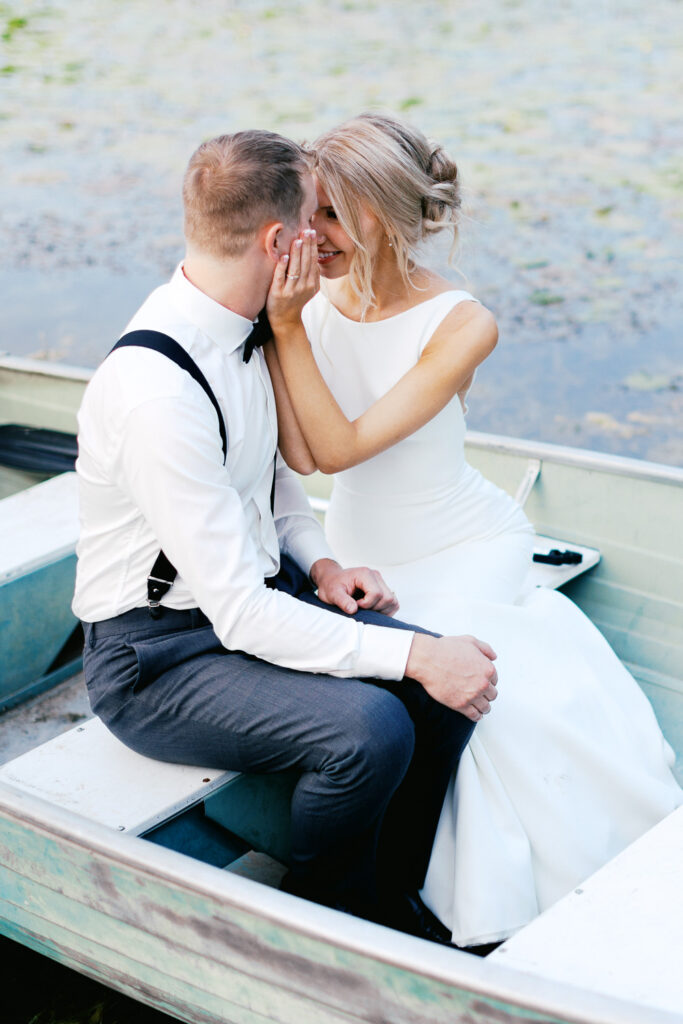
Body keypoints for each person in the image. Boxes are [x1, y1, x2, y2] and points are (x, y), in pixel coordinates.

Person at [71, 129, 502, 947]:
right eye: (317, 219)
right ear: (279, 241)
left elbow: (270, 478)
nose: (327, 238)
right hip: (156, 658)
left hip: (247, 605)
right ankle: (317, 924)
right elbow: (238, 612)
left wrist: (322, 560)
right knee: (370, 731)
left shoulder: (253, 325)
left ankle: (388, 901)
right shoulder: (156, 392)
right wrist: (412, 656)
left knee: (450, 696)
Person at [264, 112, 683, 948]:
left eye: (332, 217)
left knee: (479, 698)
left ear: (381, 214)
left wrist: (283, 330)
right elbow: (304, 456)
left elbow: (337, 445)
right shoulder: (309, 304)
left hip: (464, 543)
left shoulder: (461, 324)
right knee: (411, 675)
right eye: (308, 212)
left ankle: (512, 903)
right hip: (362, 549)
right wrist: (295, 322)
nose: (310, 236)